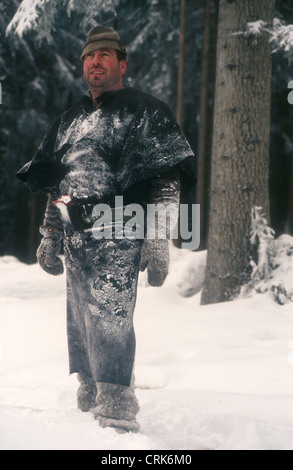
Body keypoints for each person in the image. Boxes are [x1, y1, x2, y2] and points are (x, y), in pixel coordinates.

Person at [17, 25, 195, 433]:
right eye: (89, 57)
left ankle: (116, 414)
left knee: (110, 319)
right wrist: (50, 235)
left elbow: (167, 178)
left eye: (105, 56)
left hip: (120, 232)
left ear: (122, 63)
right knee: (81, 322)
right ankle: (87, 405)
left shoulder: (144, 110)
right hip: (77, 239)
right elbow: (57, 185)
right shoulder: (71, 120)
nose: (95, 62)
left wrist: (159, 237)